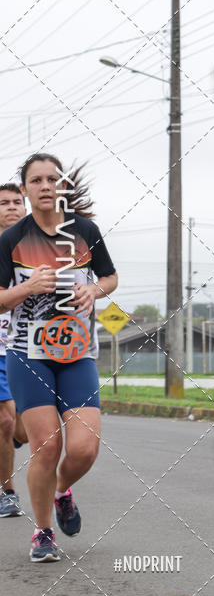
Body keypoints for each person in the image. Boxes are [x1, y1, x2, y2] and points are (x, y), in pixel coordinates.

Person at [0, 154, 118, 562]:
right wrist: (27, 287)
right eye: (37, 180)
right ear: (25, 189)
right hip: (27, 352)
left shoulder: (85, 231)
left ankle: (61, 490)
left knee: (84, 449)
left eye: (53, 179)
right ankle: (42, 531)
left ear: (63, 185)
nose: (46, 185)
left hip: (77, 352)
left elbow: (110, 277)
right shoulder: (11, 239)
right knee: (45, 447)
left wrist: (95, 291)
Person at [0, 183, 28, 518]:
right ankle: (7, 491)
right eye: (3, 202)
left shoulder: (37, 247)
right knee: (6, 420)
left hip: (28, 345)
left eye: (15, 202)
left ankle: (7, 448)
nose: (10, 207)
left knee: (23, 430)